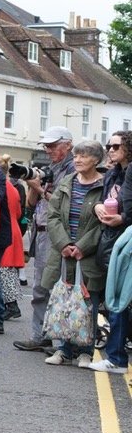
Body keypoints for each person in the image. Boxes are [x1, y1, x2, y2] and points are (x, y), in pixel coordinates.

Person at [40, 139, 105, 367]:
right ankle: (63, 349)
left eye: (83, 156)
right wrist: (64, 243)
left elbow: (103, 224)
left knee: (88, 302)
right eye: (76, 155)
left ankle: (86, 351)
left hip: (88, 255)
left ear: (96, 160)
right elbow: (53, 215)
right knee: (63, 300)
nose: (77, 160)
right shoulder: (67, 181)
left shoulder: (104, 185)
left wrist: (82, 246)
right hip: (64, 252)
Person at [14, 127, 75, 351]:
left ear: (68, 144)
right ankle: (40, 335)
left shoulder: (73, 169)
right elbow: (31, 204)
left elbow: (62, 204)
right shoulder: (50, 168)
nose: (48, 150)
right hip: (40, 230)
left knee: (56, 287)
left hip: (57, 234)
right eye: (46, 146)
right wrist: (33, 184)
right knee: (40, 287)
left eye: (53, 145)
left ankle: (59, 341)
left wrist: (40, 189)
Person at [90, 133, 130, 374]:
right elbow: (102, 199)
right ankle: (116, 357)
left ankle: (116, 358)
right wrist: (97, 206)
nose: (111, 150)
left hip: (125, 242)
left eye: (116, 146)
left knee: (118, 303)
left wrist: (122, 218)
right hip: (112, 241)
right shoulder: (113, 174)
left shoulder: (129, 173)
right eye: (109, 146)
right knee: (116, 302)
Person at [0, 154, 28, 324]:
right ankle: (10, 304)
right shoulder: (13, 188)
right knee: (7, 270)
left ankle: (11, 305)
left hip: (5, 230)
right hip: (12, 228)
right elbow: (18, 212)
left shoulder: (2, 187)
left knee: (4, 270)